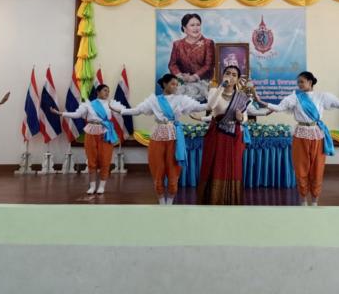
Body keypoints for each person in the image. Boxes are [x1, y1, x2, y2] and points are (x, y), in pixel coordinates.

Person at [255, 71, 339, 206]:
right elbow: (279, 108)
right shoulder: (295, 97)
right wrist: (261, 102)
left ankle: (315, 200)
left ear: (310, 82)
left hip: (317, 135)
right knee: (301, 168)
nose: (299, 84)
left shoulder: (322, 96)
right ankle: (303, 200)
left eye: (302, 81)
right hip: (300, 135)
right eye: (298, 82)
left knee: (317, 168)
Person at [117, 73, 207, 205]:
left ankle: (169, 203)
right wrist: (121, 111)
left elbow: (199, 107)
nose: (176, 87)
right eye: (173, 84)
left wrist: (215, 102)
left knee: (173, 168)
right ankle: (161, 202)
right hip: (157, 137)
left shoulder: (181, 99)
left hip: (174, 138)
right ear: (165, 84)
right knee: (157, 168)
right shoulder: (154, 100)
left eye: (177, 84)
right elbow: (137, 110)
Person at [197, 65, 255, 205]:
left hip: (234, 136)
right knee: (215, 165)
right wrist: (221, 87)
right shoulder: (214, 91)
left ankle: (231, 200)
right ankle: (212, 199)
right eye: (228, 73)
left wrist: (241, 118)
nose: (230, 76)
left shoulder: (241, 97)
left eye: (234, 75)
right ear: (223, 76)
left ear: (238, 79)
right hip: (217, 134)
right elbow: (210, 106)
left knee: (233, 166)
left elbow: (245, 118)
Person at [51, 84, 122, 196]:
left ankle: (101, 186)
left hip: (106, 134)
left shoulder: (111, 104)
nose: (107, 93)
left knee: (105, 160)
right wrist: (61, 113)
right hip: (91, 133)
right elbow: (77, 114)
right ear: (98, 92)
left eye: (108, 91)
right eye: (105, 90)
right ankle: (92, 186)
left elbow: (123, 111)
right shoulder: (89, 105)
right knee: (91, 160)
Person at [168, 13, 215, 101]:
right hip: (182, 81)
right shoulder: (177, 44)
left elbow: (208, 65)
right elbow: (172, 64)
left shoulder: (208, 43)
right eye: (192, 25)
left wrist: (193, 77)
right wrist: (180, 76)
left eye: (198, 25)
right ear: (184, 28)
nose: (196, 28)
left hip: (202, 82)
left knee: (192, 96)